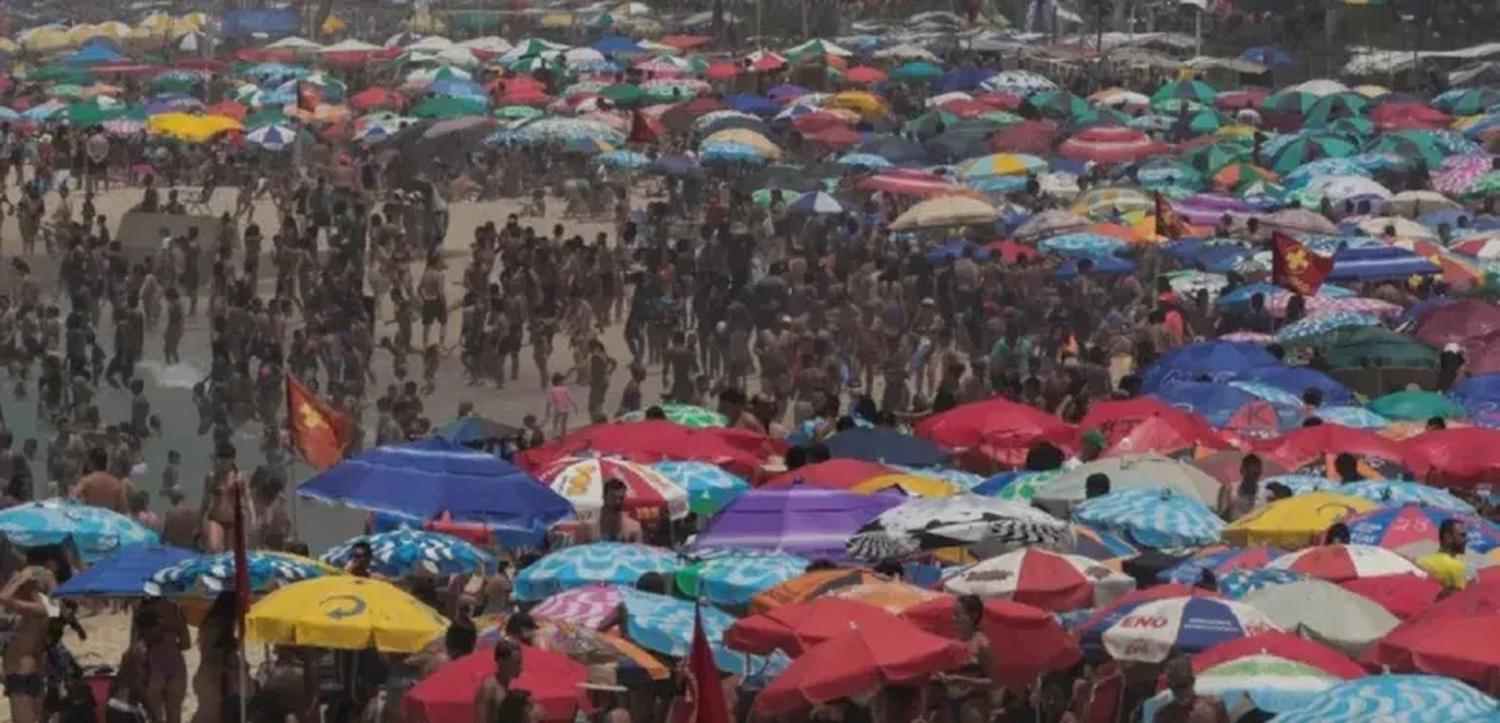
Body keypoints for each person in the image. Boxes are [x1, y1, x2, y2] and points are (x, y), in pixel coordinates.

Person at [0, 546, 62, 723]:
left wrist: (21, 579)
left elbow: (3, 597)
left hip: (21, 671)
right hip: (33, 668)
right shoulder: (47, 606)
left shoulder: (38, 609)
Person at [938, 594, 993, 723]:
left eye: (957, 614)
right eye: (953, 614)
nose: (953, 618)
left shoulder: (982, 644)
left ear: (973, 616)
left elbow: (993, 682)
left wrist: (964, 680)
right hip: (950, 703)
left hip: (973, 704)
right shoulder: (953, 643)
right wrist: (941, 675)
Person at [1155, 655, 1229, 723]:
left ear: (1192, 681)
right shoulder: (1163, 716)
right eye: (1176, 688)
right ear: (1170, 687)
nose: (1181, 692)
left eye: (1184, 686)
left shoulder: (1215, 705)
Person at [472, 638, 524, 723]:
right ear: (501, 661)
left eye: (520, 662)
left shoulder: (507, 687)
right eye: (516, 662)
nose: (520, 667)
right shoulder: (489, 689)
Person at [577, 478, 642, 544]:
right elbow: (578, 552)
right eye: (613, 497)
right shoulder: (587, 527)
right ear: (604, 497)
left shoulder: (633, 528)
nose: (618, 501)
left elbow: (638, 552)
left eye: (621, 498)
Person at [1417, 518, 1470, 594]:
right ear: (1447, 537)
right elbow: (1458, 599)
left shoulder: (1421, 561)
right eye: (1462, 535)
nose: (1467, 539)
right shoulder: (1457, 567)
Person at [1217, 454, 1263, 521]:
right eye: (1249, 473)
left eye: (1256, 474)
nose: (1253, 477)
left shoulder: (1265, 494)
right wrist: (1231, 507)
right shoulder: (1229, 489)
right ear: (1242, 471)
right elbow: (1219, 519)